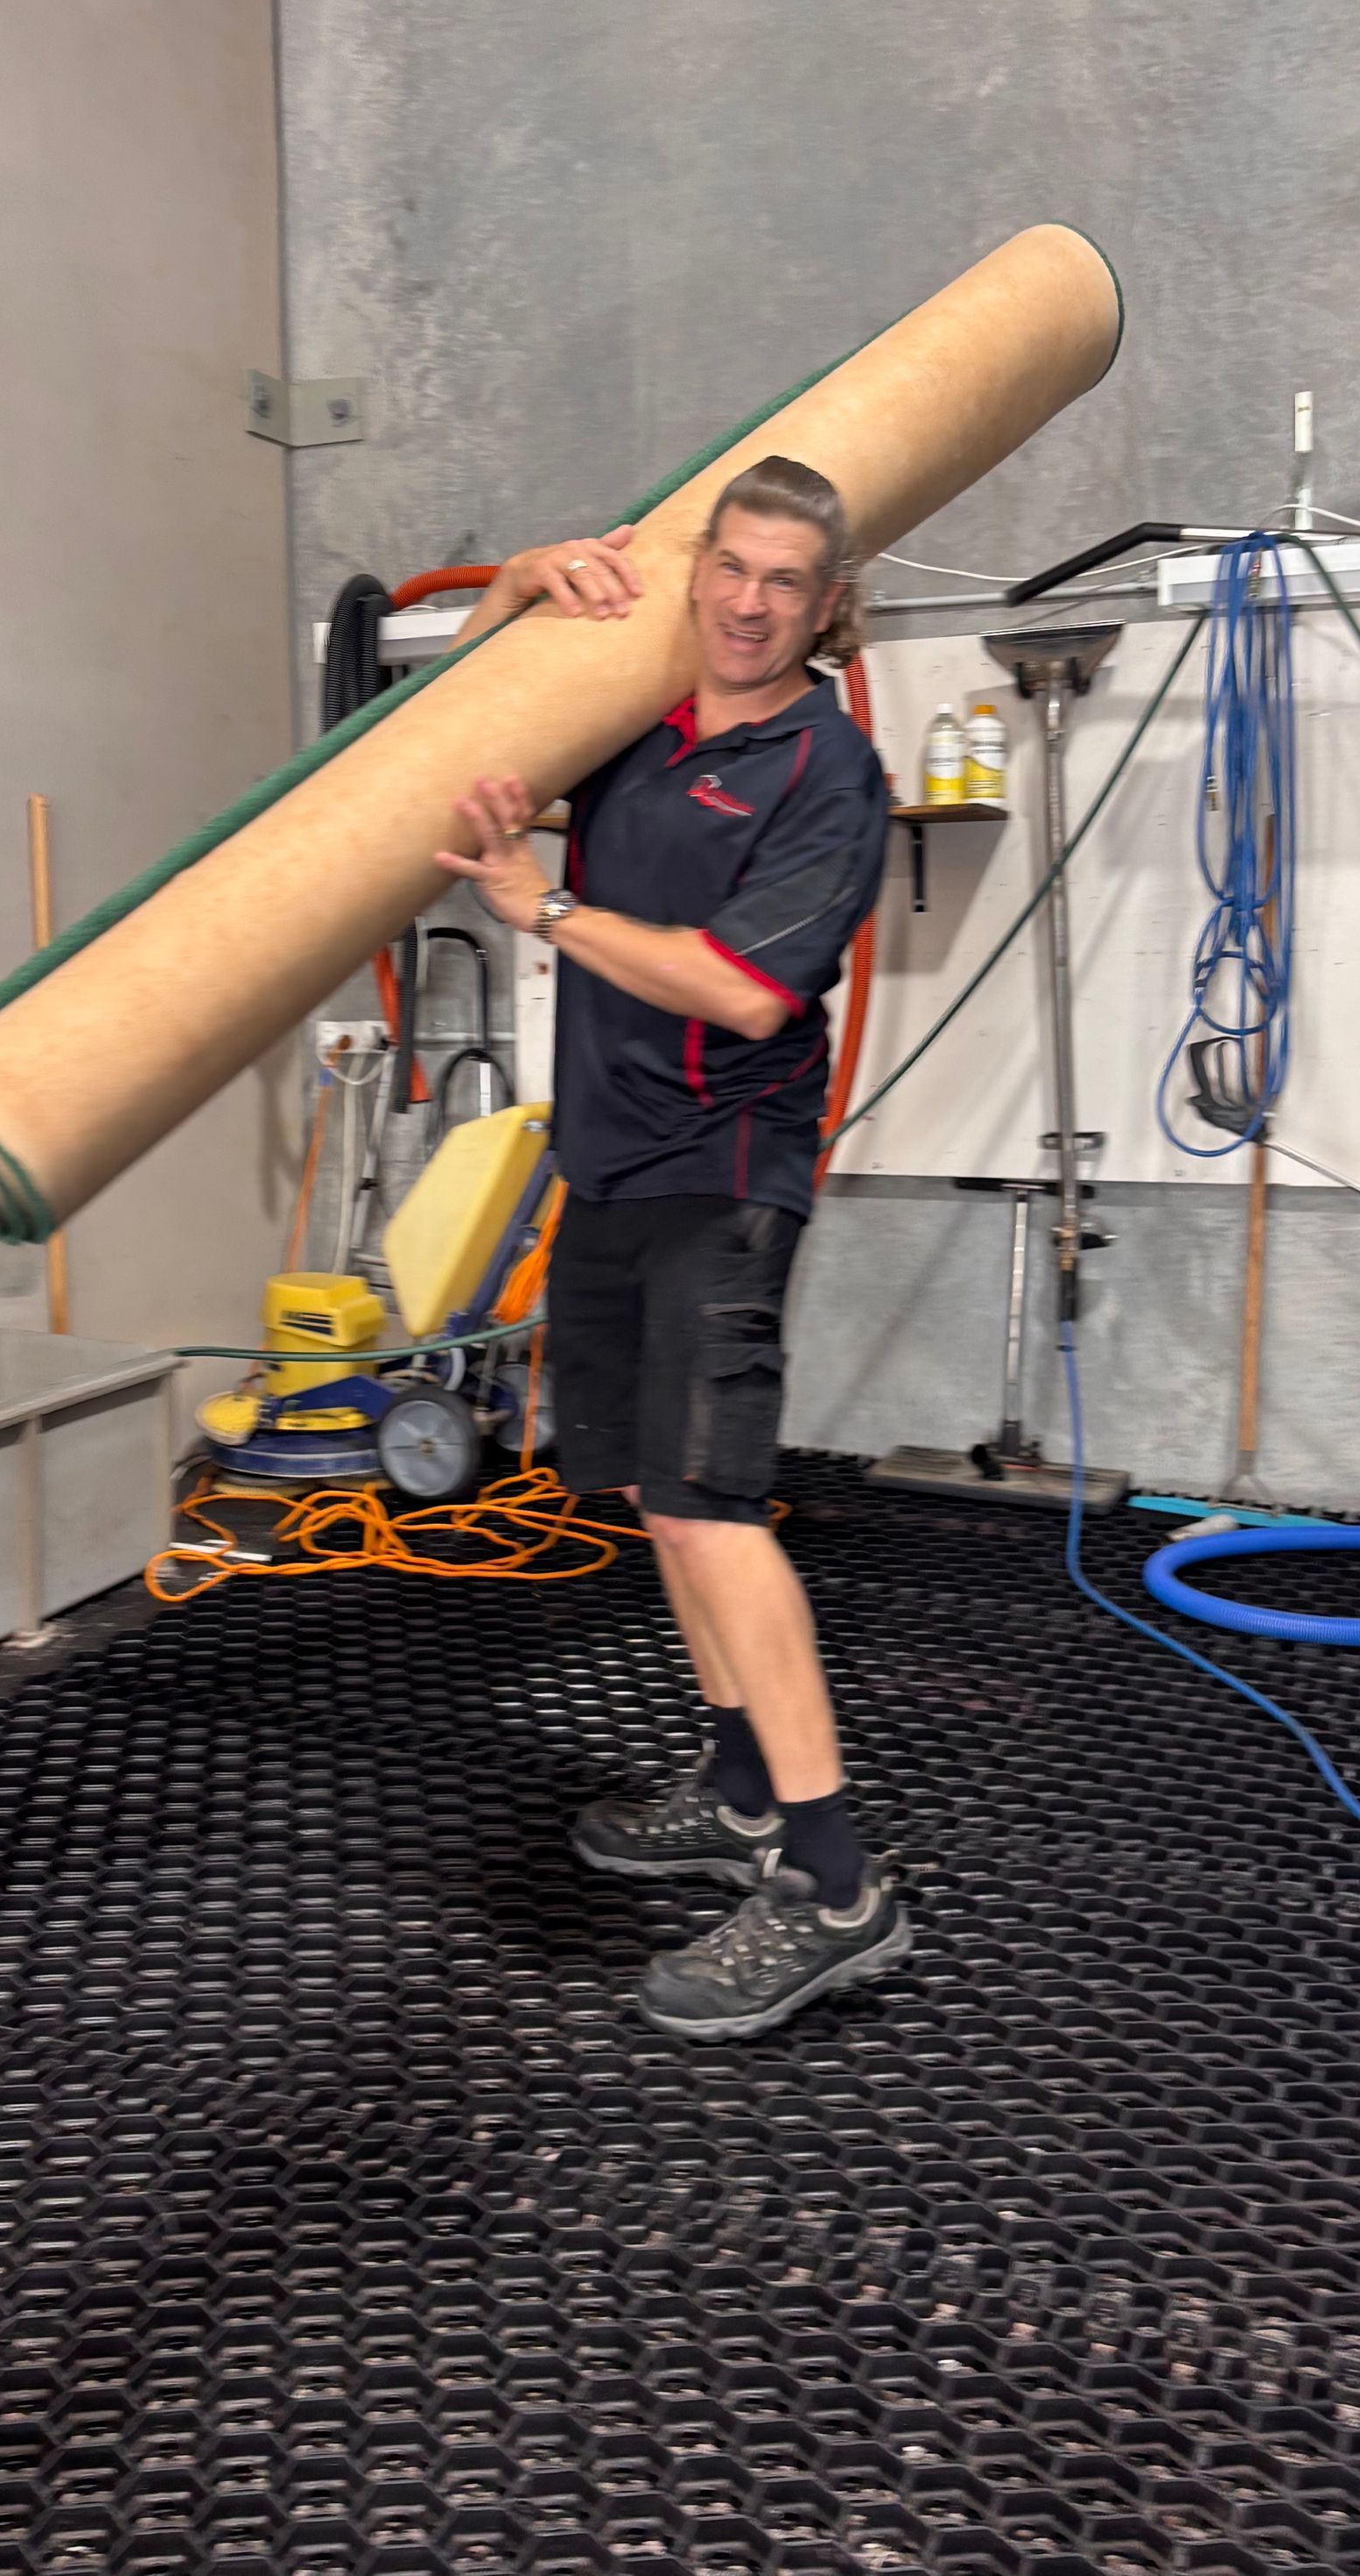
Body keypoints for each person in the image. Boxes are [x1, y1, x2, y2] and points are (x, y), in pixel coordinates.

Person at [436, 455, 911, 2041]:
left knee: (712, 1510)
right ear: (701, 570)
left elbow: (745, 991)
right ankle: (735, 1784)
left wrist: (544, 913)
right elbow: (456, 738)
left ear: (827, 605)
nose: (755, 603)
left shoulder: (827, 774)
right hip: (613, 1160)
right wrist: (513, 583)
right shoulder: (643, 721)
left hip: (725, 1170)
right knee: (653, 1493)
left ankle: (837, 1887)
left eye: (791, 584)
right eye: (737, 569)